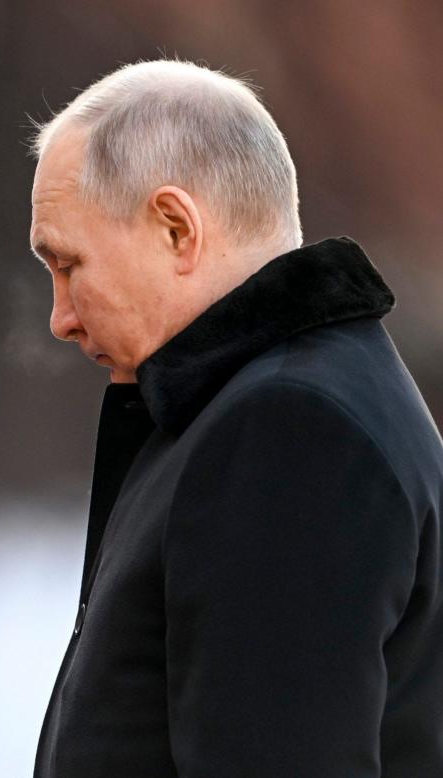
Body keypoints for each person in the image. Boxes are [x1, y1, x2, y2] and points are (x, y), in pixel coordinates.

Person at [28, 59, 443, 777]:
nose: (60, 318)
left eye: (68, 266)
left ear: (174, 228)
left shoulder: (288, 433)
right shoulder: (270, 405)